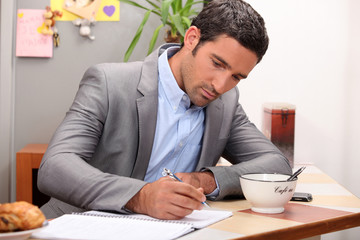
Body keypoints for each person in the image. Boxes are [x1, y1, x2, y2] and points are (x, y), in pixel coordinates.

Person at [38, 0, 292, 220]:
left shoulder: (224, 102)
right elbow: (55, 167)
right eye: (217, 63)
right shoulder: (108, 82)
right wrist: (140, 196)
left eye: (236, 77)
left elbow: (277, 165)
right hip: (79, 226)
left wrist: (204, 180)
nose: (220, 86)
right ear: (192, 38)